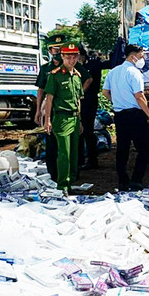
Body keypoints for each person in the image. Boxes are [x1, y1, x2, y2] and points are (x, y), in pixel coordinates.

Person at [103, 44, 149, 190]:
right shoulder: (134, 73)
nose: (142, 59)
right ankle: (136, 180)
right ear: (133, 56)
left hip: (120, 115)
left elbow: (105, 92)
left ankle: (123, 181)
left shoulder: (114, 72)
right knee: (143, 148)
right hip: (135, 115)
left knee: (122, 149)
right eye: (141, 56)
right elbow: (139, 96)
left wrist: (117, 100)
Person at [42, 43, 84, 192]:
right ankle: (63, 185)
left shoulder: (77, 76)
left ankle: (71, 181)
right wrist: (47, 120)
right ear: (62, 57)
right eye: (68, 57)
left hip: (74, 118)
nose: (71, 60)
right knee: (64, 154)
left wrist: (79, 120)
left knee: (74, 154)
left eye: (74, 57)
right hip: (61, 118)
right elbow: (49, 99)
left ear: (78, 57)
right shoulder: (56, 75)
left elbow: (78, 99)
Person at [35, 33, 67, 180]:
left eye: (60, 49)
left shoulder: (70, 67)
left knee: (66, 144)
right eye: (54, 49)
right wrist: (38, 111)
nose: (57, 52)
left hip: (65, 109)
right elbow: (40, 90)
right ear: (49, 50)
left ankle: (67, 173)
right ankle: (52, 173)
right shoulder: (45, 69)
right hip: (49, 109)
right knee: (51, 143)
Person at [79, 45, 108, 170]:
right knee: (78, 132)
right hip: (79, 100)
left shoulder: (92, 65)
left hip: (89, 99)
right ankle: (80, 159)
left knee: (87, 130)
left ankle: (92, 159)